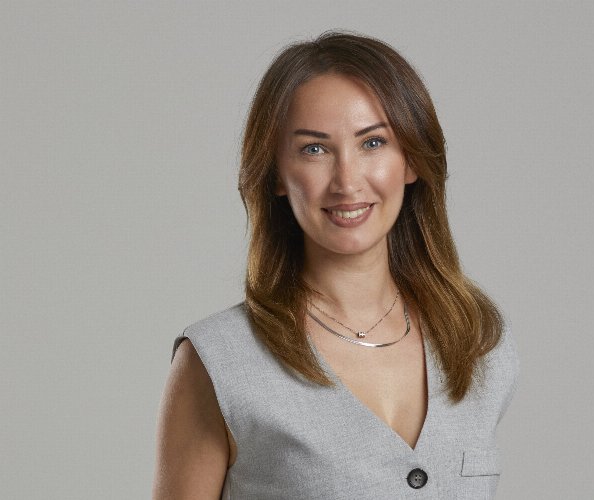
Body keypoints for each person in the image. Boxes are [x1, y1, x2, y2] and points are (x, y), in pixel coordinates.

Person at [153, 31, 519, 499]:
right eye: (314, 149)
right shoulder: (220, 361)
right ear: (277, 174)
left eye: (373, 143)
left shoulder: (478, 343)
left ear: (411, 161)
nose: (347, 182)